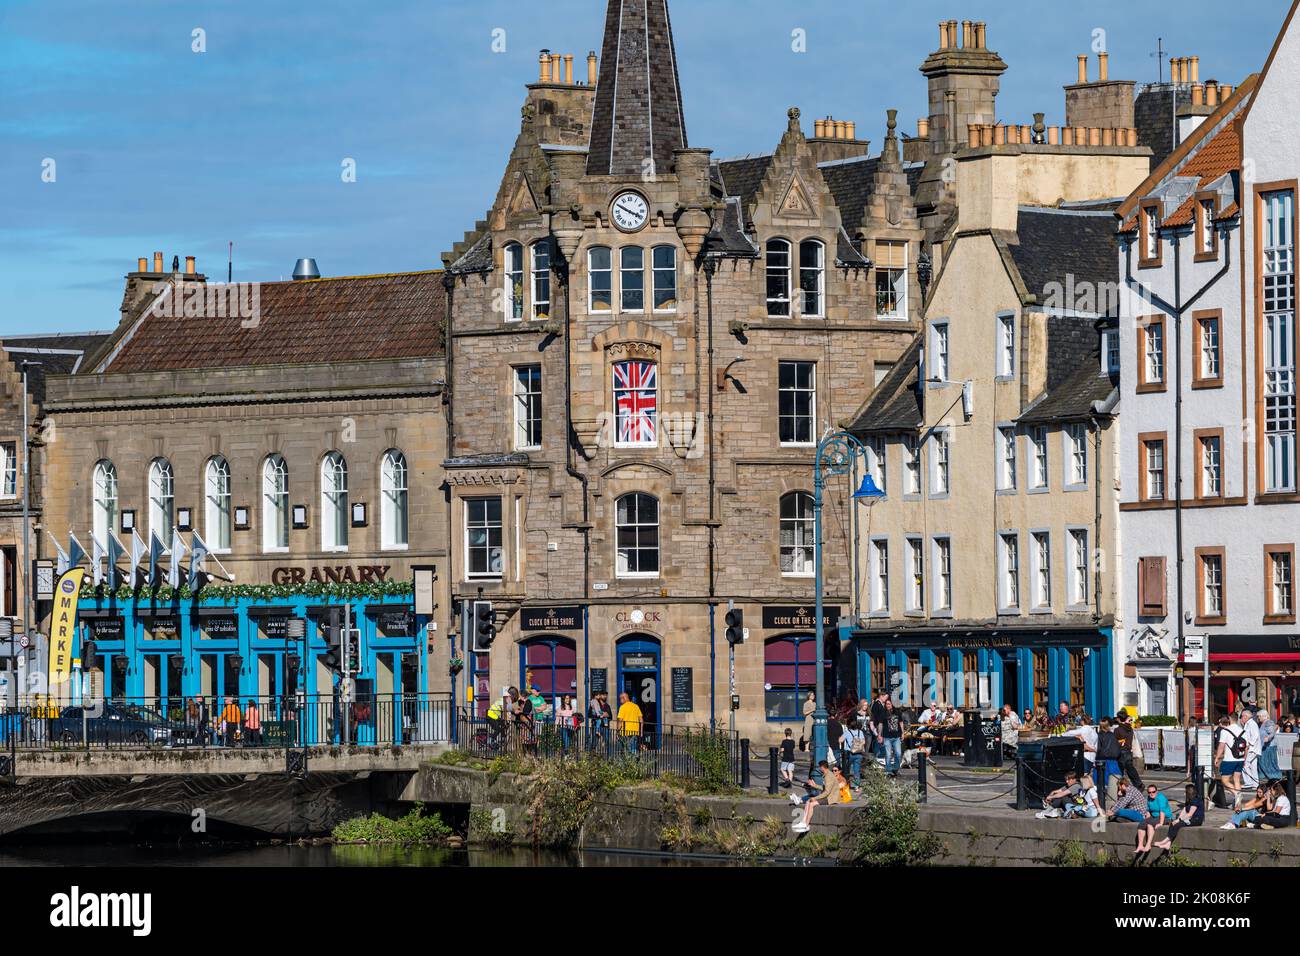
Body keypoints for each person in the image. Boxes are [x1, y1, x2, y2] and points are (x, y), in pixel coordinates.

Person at [1155, 785, 1204, 850]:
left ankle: (1166, 840)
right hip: (1190, 819)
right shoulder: (1189, 800)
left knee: (1178, 825)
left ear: (1189, 792)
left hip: (1196, 820)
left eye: (1185, 792)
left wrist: (1179, 820)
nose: (1184, 793)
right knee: (1173, 823)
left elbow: (1190, 814)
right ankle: (1168, 844)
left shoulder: (1196, 800)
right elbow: (1184, 811)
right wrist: (1177, 819)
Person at [1214, 714, 1246, 805]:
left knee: (1225, 781)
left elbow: (1221, 746)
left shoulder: (1225, 731)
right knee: (1237, 779)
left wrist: (1217, 757)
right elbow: (1246, 747)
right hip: (1240, 759)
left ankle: (1237, 794)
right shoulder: (1243, 731)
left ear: (1229, 719)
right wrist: (1244, 759)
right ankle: (1237, 803)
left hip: (1229, 759)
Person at [1094, 718, 1122, 806]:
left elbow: (1097, 748)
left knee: (1100, 783)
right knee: (1114, 782)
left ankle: (1101, 802)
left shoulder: (1098, 735)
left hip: (1101, 761)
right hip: (1113, 761)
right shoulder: (1112, 735)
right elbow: (1117, 748)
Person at [1136, 785, 1172, 855]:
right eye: (1149, 792)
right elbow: (1148, 811)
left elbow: (1162, 811)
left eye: (1153, 792)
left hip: (1166, 817)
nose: (1151, 794)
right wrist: (1146, 820)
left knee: (1150, 824)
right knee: (1141, 824)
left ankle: (1148, 845)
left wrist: (1161, 823)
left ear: (1157, 791)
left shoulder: (1161, 798)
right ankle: (1140, 845)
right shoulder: (1149, 798)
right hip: (1154, 817)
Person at [1113, 711, 1144, 788]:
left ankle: (1119, 787)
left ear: (1119, 719)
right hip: (1128, 751)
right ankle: (1138, 784)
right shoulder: (1130, 728)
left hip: (1120, 752)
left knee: (1119, 771)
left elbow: (1115, 742)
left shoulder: (1118, 730)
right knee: (1130, 769)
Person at [879, 697, 904, 776]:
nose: (888, 705)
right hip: (887, 737)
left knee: (898, 753)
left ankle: (896, 768)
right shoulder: (883, 713)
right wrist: (879, 735)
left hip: (896, 737)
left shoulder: (897, 712)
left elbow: (901, 723)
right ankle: (888, 770)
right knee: (888, 754)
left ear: (892, 704)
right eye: (886, 704)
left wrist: (903, 733)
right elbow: (880, 724)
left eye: (889, 704)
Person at [1257, 707, 1281, 783]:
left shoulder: (1268, 722)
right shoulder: (1263, 723)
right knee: (1263, 763)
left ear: (1263, 716)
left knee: (1269, 763)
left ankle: (1275, 778)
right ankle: (1265, 778)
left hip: (1269, 747)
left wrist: (1268, 738)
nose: (1258, 718)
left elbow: (1272, 733)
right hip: (1265, 747)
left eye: (1259, 716)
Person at [839, 719, 865, 788]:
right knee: (857, 770)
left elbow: (840, 740)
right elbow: (864, 742)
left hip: (849, 753)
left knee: (847, 769)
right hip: (859, 753)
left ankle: (847, 784)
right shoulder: (860, 732)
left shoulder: (847, 732)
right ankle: (856, 786)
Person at [1241, 706, 1262, 790]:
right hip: (1253, 749)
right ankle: (1255, 783)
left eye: (1242, 716)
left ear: (1246, 716)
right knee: (1253, 766)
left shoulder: (1251, 724)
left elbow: (1255, 735)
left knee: (1244, 765)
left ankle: (1248, 782)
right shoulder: (1249, 723)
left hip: (1252, 749)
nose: (1241, 718)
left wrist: (1249, 744)